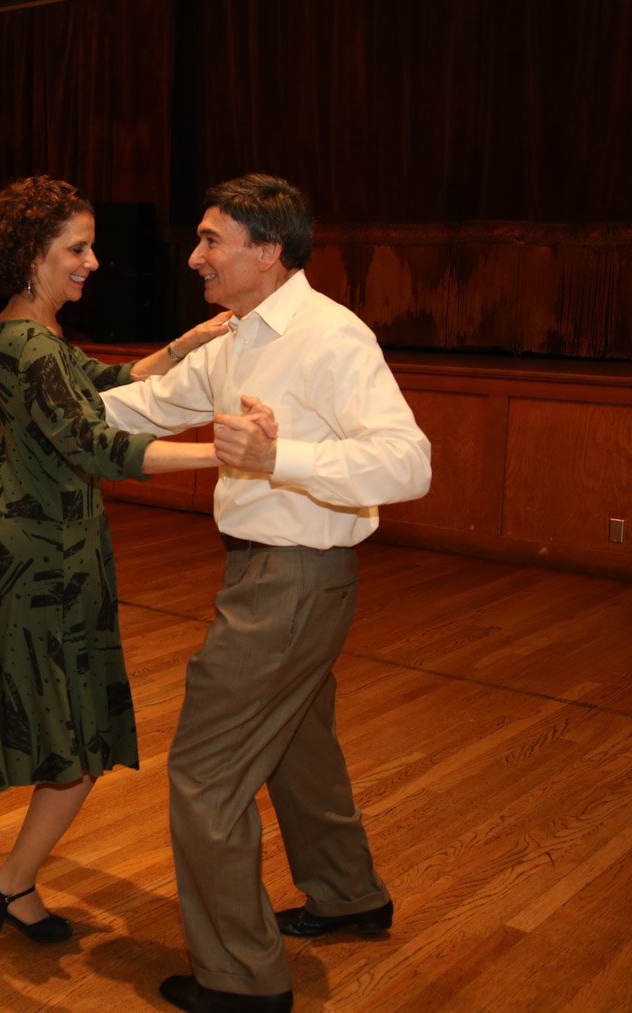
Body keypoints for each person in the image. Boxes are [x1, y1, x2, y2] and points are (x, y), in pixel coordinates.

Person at [99, 175, 432, 1012]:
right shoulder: (234, 339)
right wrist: (43, 398)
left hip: (292, 581)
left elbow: (409, 462)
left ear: (269, 250)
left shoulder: (331, 336)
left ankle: (241, 978)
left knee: (205, 771)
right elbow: (144, 407)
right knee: (297, 745)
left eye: (212, 240)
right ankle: (348, 895)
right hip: (273, 574)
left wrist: (280, 458)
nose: (195, 256)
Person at [0, 176, 234, 943]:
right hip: (41, 564)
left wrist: (185, 344)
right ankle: (12, 885)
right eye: (77, 249)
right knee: (81, 744)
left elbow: (104, 385)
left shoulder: (18, 331)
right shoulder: (32, 345)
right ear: (33, 253)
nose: (92, 262)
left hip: (8, 551)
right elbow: (96, 443)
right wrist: (221, 454)